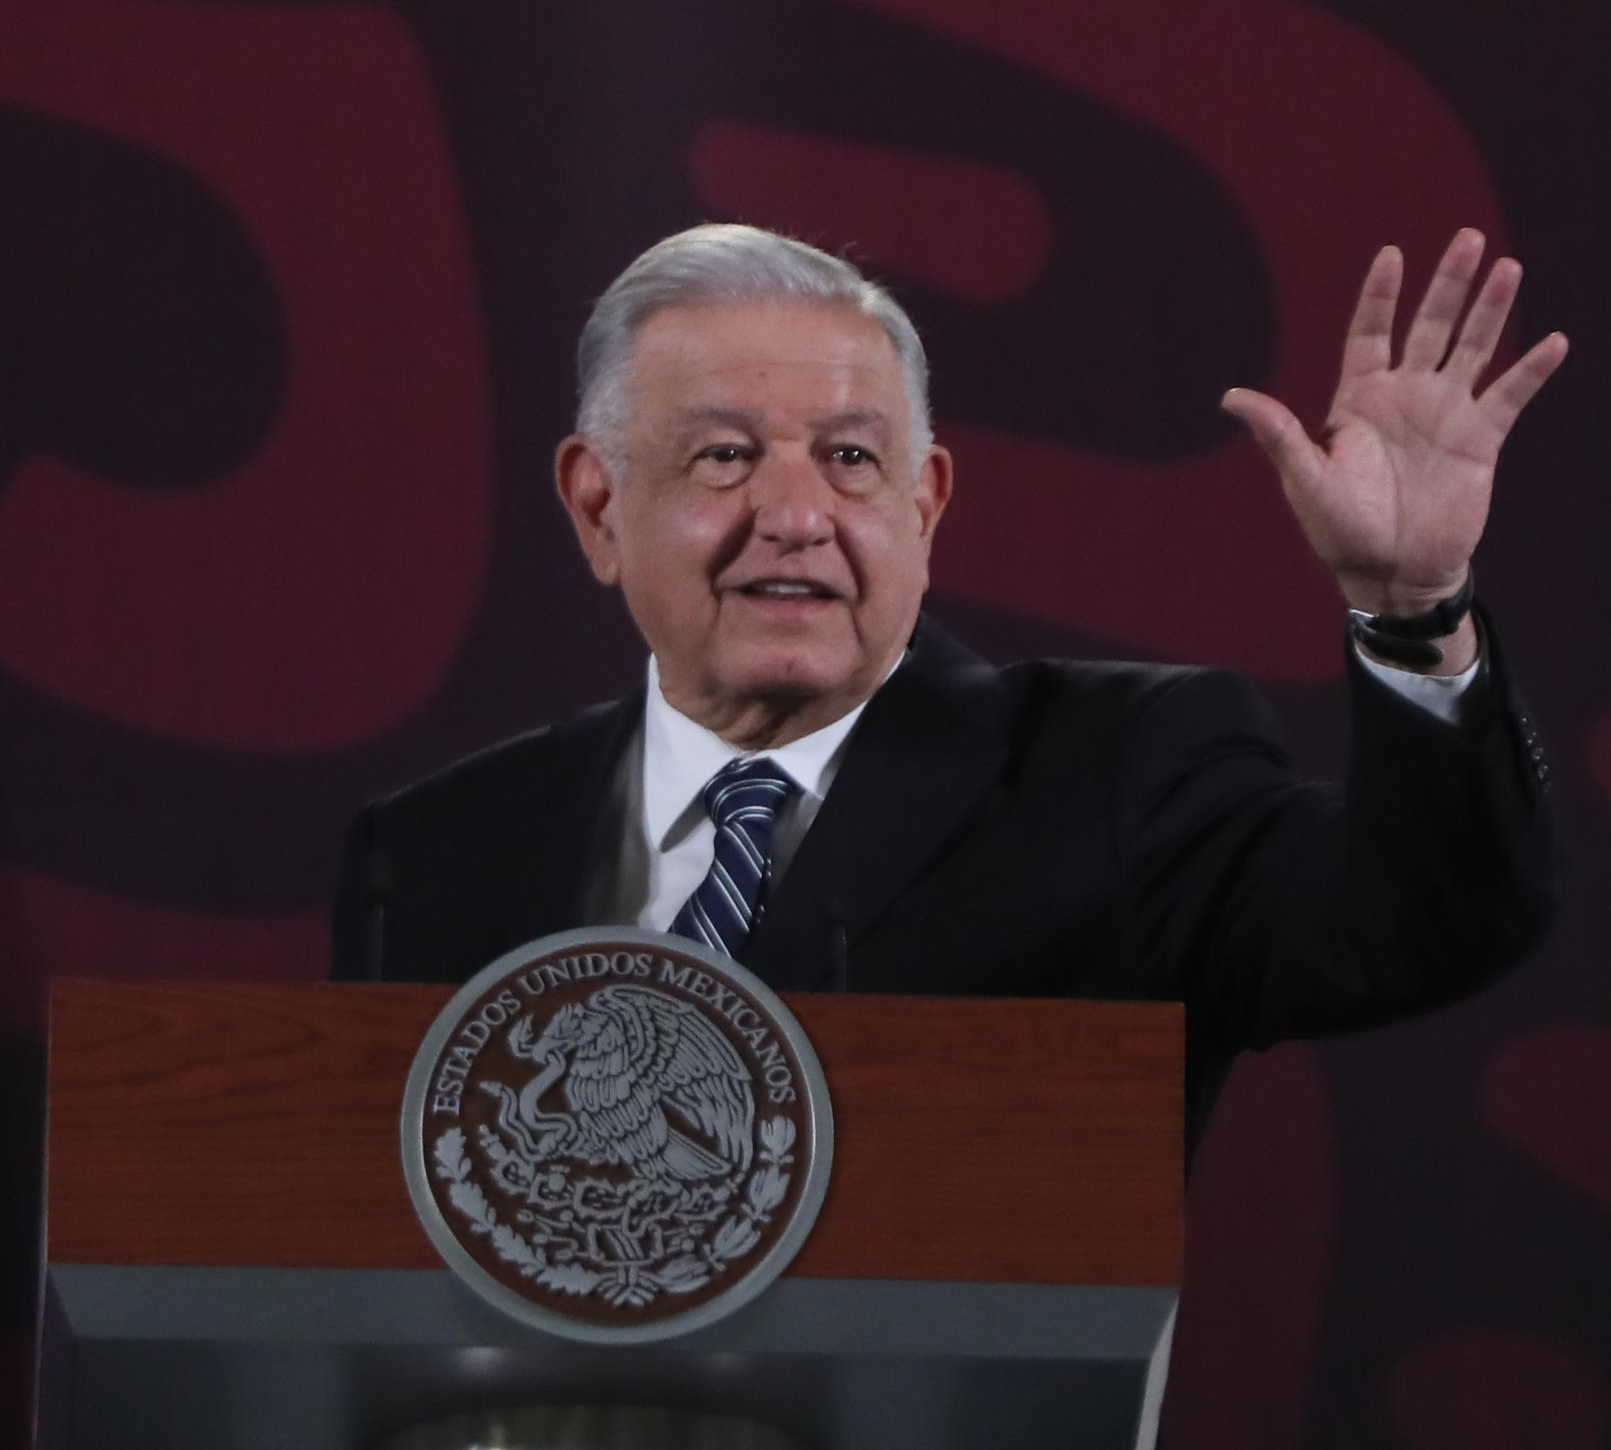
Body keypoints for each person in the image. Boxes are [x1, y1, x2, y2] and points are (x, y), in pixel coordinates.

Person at [332, 223, 1566, 1150]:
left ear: (923, 509)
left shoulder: (1119, 774)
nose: (798, 516)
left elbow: (1424, 924)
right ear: (600, 507)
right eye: (725, 457)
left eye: (852, 458)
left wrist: (1413, 609)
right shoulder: (439, 852)